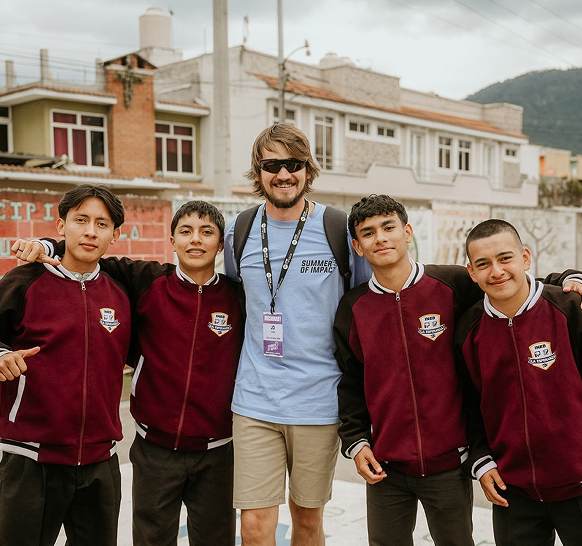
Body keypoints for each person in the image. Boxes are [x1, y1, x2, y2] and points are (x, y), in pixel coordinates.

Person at [332, 194, 582, 546]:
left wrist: (567, 278)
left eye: (388, 227)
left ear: (408, 232)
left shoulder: (452, 284)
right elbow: (350, 380)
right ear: (358, 246)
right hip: (387, 467)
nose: (381, 238)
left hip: (450, 464)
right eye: (369, 233)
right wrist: (356, 441)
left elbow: (507, 283)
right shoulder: (353, 308)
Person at [12, 200, 244, 546]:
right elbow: (87, 252)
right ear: (172, 240)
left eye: (206, 232)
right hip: (155, 448)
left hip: (218, 450)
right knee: (151, 539)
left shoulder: (237, 297)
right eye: (186, 231)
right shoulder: (146, 281)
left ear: (221, 244)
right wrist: (47, 245)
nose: (195, 239)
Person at [222, 123, 371, 546]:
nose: (284, 174)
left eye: (294, 164)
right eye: (272, 165)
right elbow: (232, 295)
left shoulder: (339, 228)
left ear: (308, 169)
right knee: (253, 526)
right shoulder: (239, 230)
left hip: (319, 401)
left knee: (307, 520)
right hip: (255, 399)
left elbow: (367, 301)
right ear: (258, 171)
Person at [0, 184, 131, 546]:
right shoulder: (22, 282)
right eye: (81, 220)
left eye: (102, 224)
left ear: (115, 235)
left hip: (101, 460)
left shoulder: (122, 292)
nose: (90, 231)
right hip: (30, 458)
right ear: (61, 226)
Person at [456, 219, 582, 546]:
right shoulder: (468, 331)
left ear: (525, 258)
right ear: (472, 272)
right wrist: (481, 461)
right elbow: (469, 406)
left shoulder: (570, 309)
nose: (496, 271)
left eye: (505, 258)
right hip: (513, 493)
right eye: (483, 264)